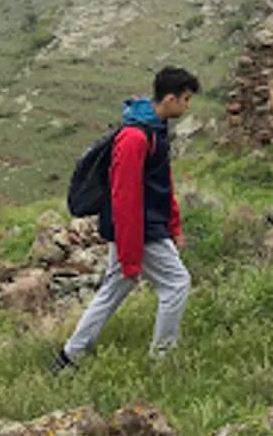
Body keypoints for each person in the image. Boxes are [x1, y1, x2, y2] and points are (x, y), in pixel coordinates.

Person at [52, 66, 200, 372]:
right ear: (170, 99)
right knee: (176, 284)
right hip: (139, 229)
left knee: (114, 288)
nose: (188, 106)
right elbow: (126, 199)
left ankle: (71, 356)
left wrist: (174, 224)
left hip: (145, 225)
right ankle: (162, 360)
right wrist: (132, 254)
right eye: (185, 99)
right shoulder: (135, 138)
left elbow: (162, 183)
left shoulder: (154, 129)